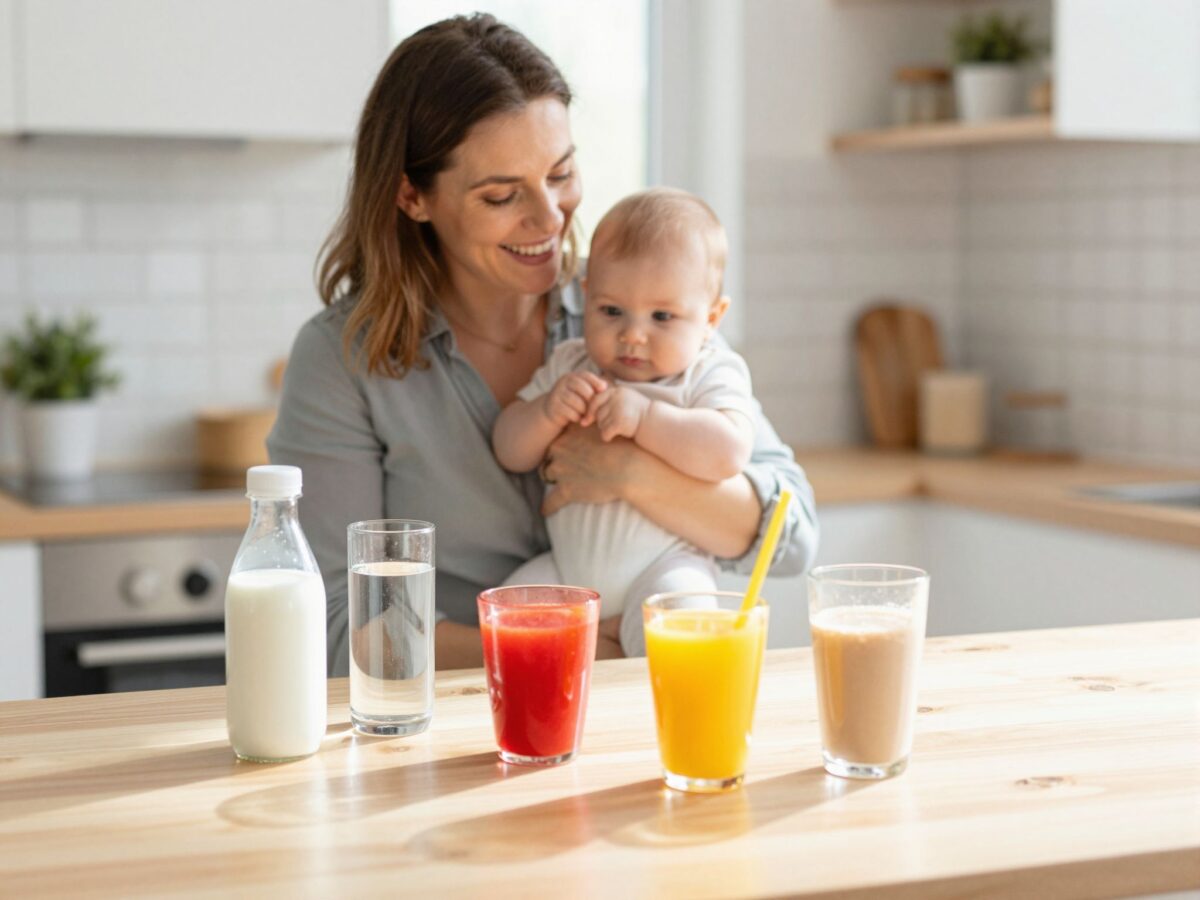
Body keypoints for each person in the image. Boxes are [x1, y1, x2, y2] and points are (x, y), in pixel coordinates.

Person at [268, 13, 819, 676]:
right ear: (412, 196)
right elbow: (335, 633)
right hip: (458, 734)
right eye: (503, 195)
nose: (551, 218)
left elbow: (791, 535)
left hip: (629, 725)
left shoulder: (628, 315)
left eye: (560, 174)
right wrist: (575, 645)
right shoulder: (345, 361)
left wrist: (631, 472)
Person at [493, 188, 758, 655]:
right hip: (567, 572)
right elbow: (509, 449)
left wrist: (647, 417)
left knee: (686, 624)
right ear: (587, 295)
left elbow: (729, 451)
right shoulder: (571, 363)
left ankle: (683, 725)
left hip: (664, 567)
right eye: (612, 311)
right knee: (508, 620)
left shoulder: (709, 371)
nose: (633, 334)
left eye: (662, 316)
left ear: (712, 318)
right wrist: (547, 410)